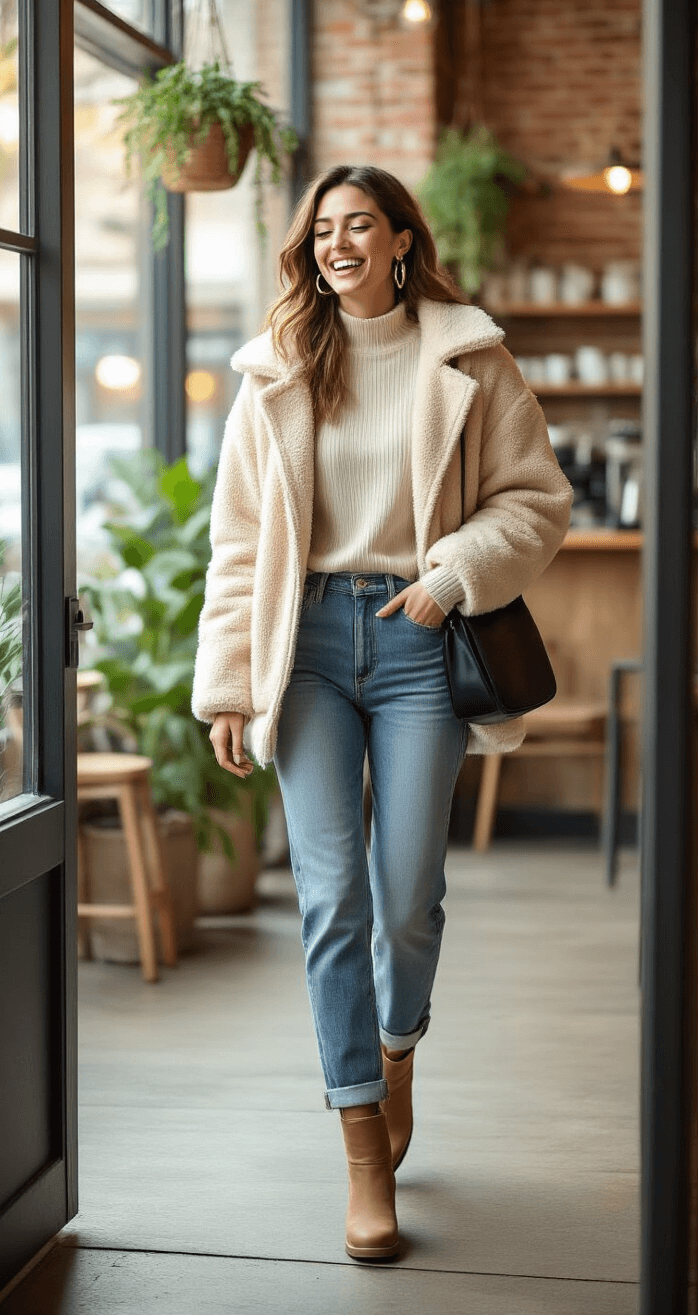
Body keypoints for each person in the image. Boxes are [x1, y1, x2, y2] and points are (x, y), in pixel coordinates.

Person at [192, 165, 572, 1261]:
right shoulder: (272, 368)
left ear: (402, 239)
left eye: (360, 225)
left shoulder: (469, 355)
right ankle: (362, 1144)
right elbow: (237, 541)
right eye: (321, 230)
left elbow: (535, 498)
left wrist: (453, 571)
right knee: (329, 898)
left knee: (407, 893)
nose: (336, 243)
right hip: (300, 646)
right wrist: (227, 683)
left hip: (417, 642)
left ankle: (398, 1047)